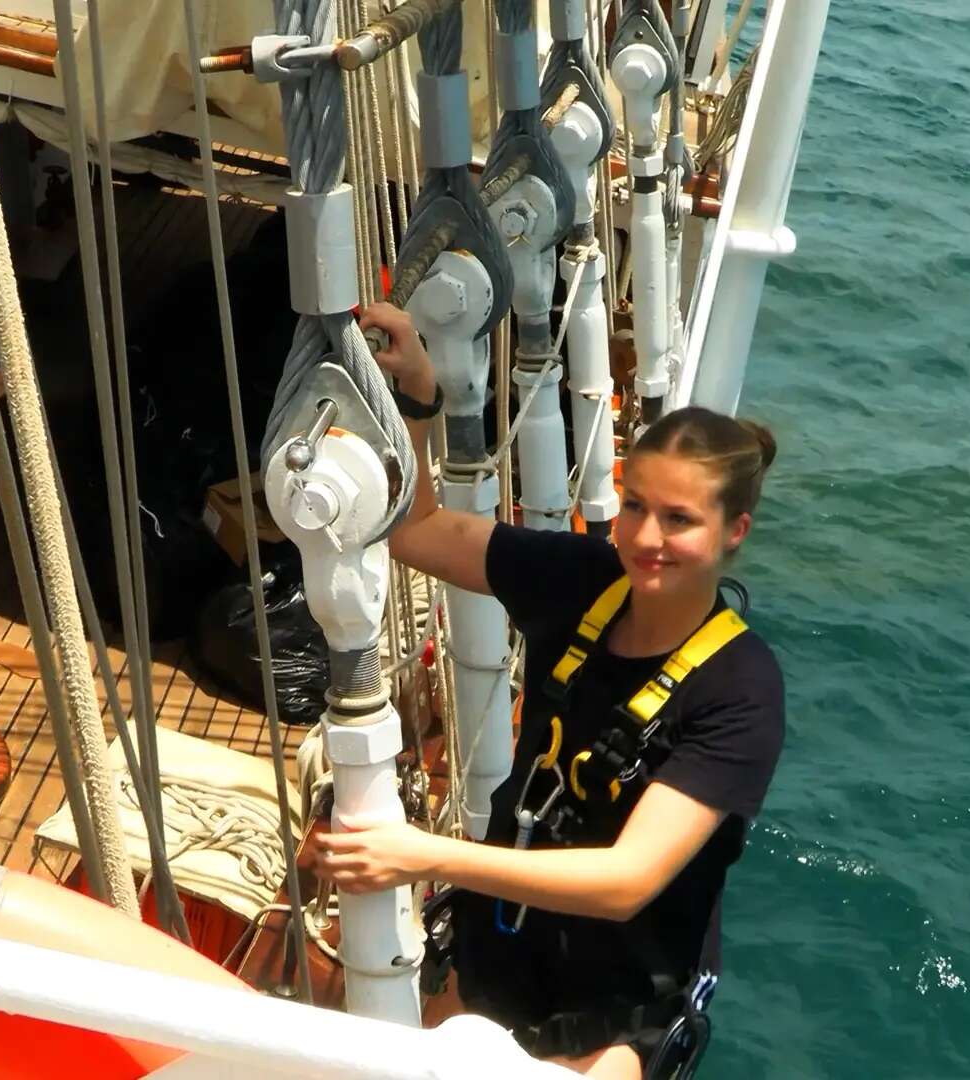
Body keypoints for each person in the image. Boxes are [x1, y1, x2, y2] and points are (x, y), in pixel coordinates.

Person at [311, 303, 786, 1079]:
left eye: (680, 520)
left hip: (611, 1020)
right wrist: (422, 399)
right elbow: (417, 531)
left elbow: (626, 881)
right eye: (634, 506)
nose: (645, 539)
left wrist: (423, 855)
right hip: (491, 968)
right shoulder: (584, 579)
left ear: (734, 532)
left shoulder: (741, 690)